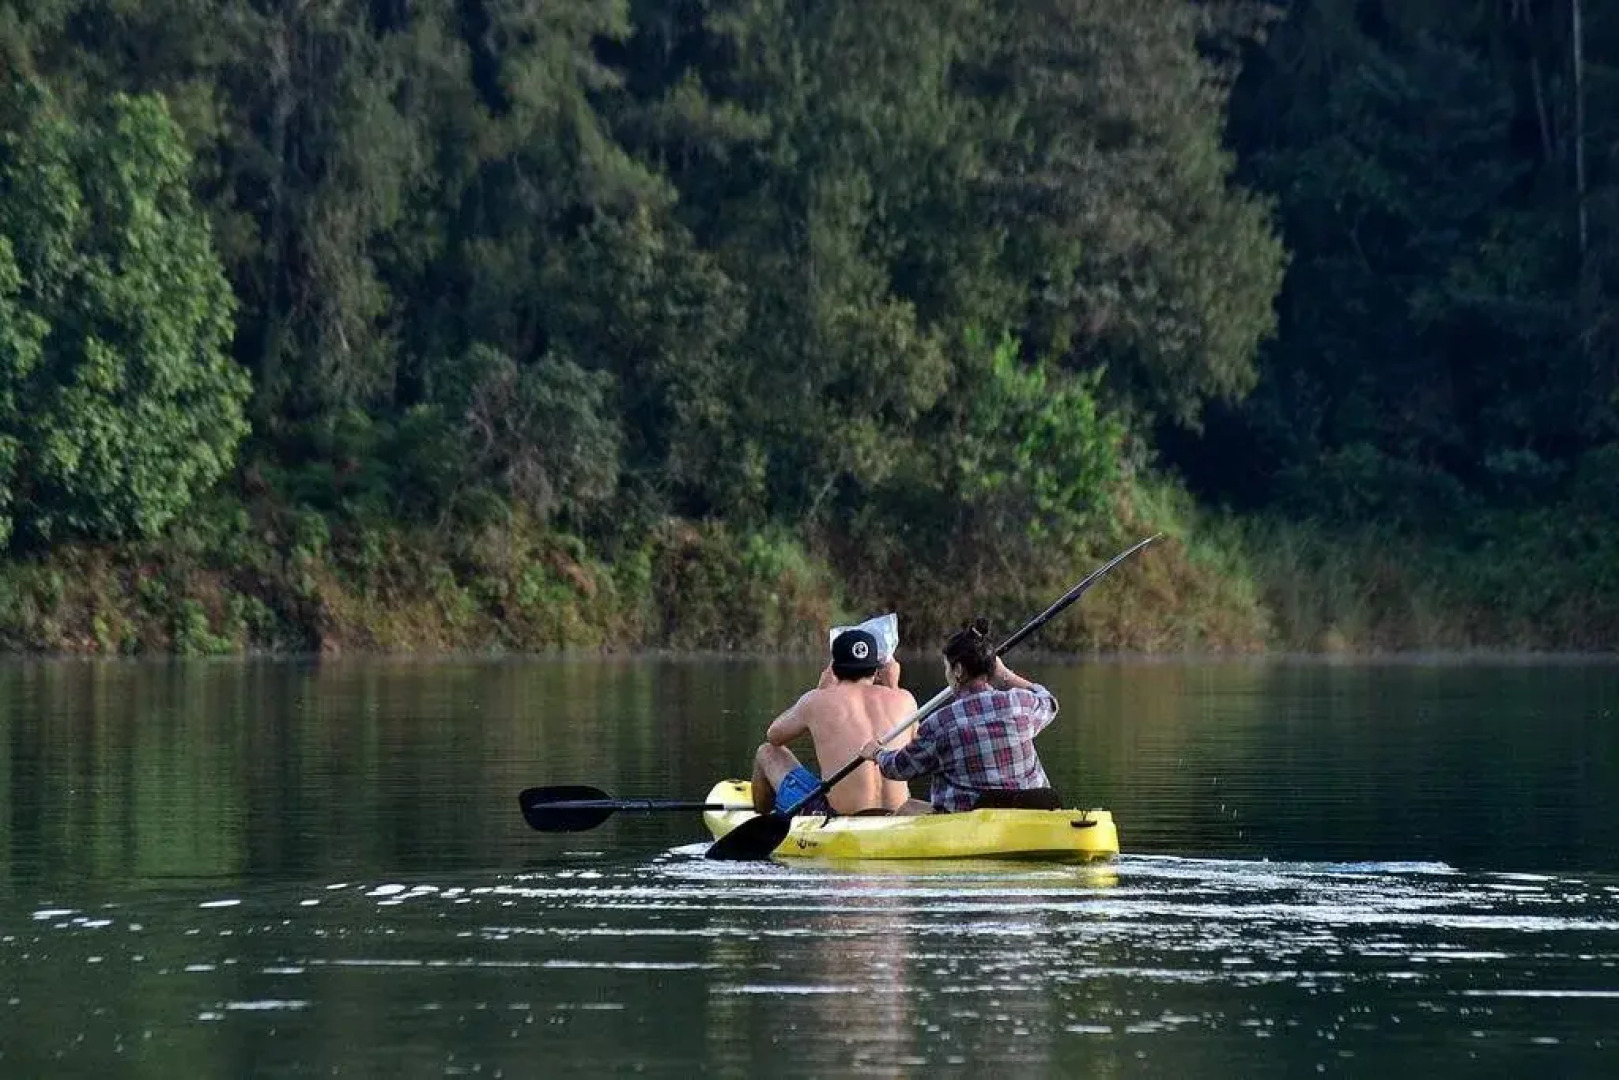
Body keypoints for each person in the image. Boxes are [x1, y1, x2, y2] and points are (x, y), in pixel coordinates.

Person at [857, 618, 1059, 813]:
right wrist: (1005, 674)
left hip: (970, 824)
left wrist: (877, 753)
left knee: (906, 808)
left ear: (959, 670)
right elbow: (1049, 701)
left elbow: (900, 768)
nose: (947, 673)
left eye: (947, 667)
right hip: (1031, 812)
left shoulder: (939, 723)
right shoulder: (1021, 703)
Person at [751, 628, 919, 816]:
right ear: (877, 670)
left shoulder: (816, 700)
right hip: (896, 814)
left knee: (766, 752)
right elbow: (915, 747)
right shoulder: (906, 699)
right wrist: (894, 687)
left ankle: (761, 819)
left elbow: (774, 736)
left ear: (833, 669)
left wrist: (819, 689)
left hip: (838, 817)